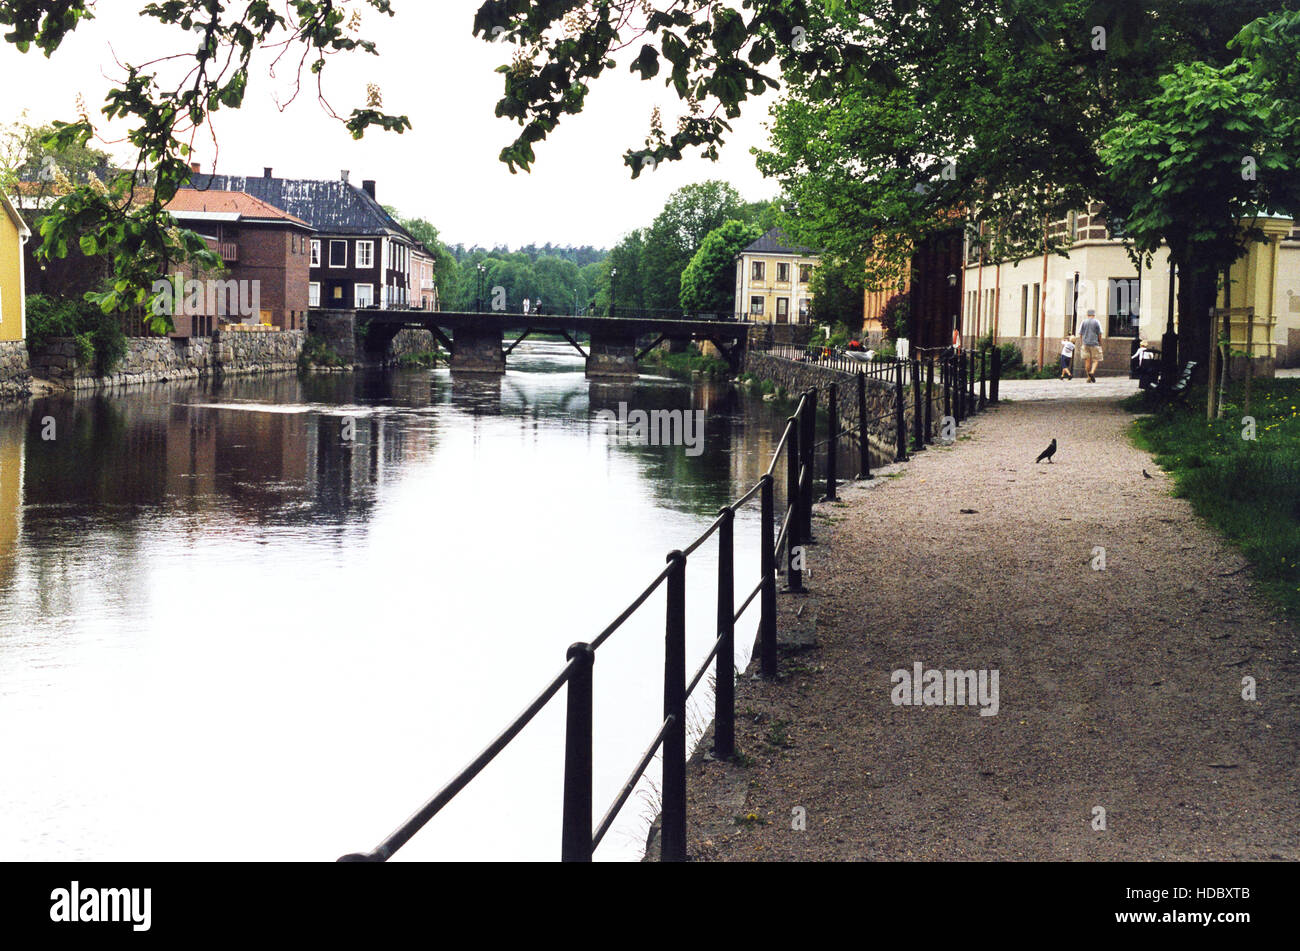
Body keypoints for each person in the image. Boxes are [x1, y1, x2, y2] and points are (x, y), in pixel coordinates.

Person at [1078, 309, 1103, 382]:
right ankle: (1092, 372)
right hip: (1094, 343)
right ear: (1094, 315)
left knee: (1087, 361)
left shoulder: (1083, 322)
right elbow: (1099, 333)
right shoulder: (1096, 322)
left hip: (1085, 343)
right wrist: (1100, 342)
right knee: (1095, 360)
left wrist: (1082, 342)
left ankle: (1089, 377)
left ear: (1087, 315)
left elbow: (1080, 333)